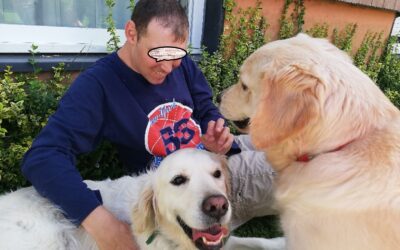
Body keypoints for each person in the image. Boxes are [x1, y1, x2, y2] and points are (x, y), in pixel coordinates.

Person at [21, 0, 276, 249]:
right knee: (297, 162)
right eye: (157, 55)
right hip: (188, 188)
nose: (167, 67)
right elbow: (43, 156)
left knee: (284, 139)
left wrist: (214, 129)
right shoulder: (98, 85)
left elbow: (204, 106)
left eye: (176, 57)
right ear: (131, 33)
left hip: (215, 164)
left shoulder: (178, 61)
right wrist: (98, 220)